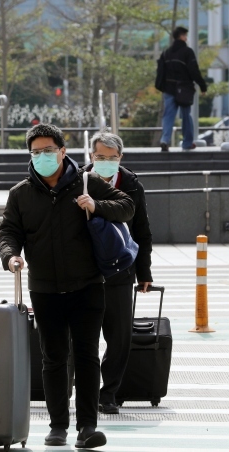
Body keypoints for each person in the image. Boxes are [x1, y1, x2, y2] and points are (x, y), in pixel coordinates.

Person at [0, 124, 134, 449]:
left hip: (87, 285)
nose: (42, 157)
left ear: (62, 151)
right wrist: (10, 256)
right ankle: (58, 425)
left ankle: (87, 427)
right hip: (44, 288)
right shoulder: (21, 193)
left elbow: (127, 206)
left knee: (86, 355)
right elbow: (9, 232)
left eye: (48, 150)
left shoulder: (87, 183)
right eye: (36, 152)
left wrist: (96, 206)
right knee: (54, 357)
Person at [83, 132, 154, 415]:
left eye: (111, 158)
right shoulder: (78, 181)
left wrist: (144, 272)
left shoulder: (132, 185)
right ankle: (85, 391)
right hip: (85, 272)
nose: (106, 162)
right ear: (92, 156)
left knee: (120, 337)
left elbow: (142, 231)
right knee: (83, 337)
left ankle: (109, 393)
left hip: (121, 271)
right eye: (100, 157)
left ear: (120, 158)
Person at [158, 26, 208, 152]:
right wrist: (202, 85)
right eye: (185, 35)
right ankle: (187, 143)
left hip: (169, 89)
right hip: (184, 89)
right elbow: (194, 70)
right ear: (182, 36)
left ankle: (165, 140)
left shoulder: (166, 52)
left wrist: (162, 86)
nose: (186, 38)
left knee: (168, 116)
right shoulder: (187, 52)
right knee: (186, 116)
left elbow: (160, 71)